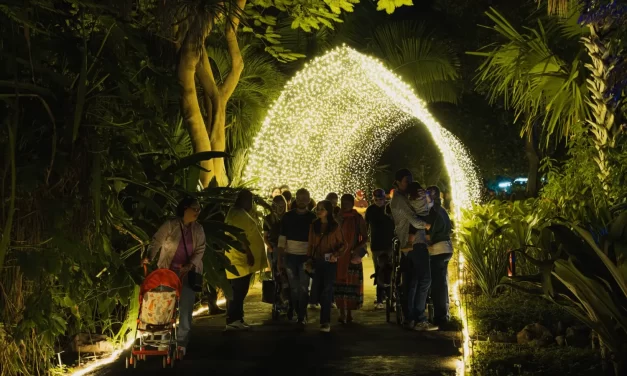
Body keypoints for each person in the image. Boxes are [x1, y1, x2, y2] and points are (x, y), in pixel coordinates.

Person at [144, 197, 205, 356]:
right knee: (165, 307)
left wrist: (190, 265)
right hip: (168, 272)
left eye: (199, 209)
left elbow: (200, 249)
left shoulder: (198, 229)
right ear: (185, 208)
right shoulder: (170, 225)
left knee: (185, 308)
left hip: (188, 273)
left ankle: (181, 343)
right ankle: (164, 341)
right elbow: (157, 241)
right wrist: (149, 256)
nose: (197, 212)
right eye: (194, 208)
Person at [390, 169, 438, 331]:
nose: (409, 184)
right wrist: (426, 225)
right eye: (406, 181)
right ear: (397, 182)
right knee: (425, 279)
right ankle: (419, 318)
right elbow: (414, 220)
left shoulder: (405, 198)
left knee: (413, 282)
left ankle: (411, 318)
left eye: (410, 181)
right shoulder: (399, 199)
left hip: (411, 245)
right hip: (415, 244)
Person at [224, 189, 267, 330]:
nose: (251, 204)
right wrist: (248, 253)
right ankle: (233, 319)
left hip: (237, 258)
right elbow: (240, 235)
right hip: (240, 258)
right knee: (239, 290)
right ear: (244, 200)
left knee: (239, 289)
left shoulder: (235, 212)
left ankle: (238, 318)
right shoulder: (239, 215)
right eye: (250, 201)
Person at [277, 188, 317, 326]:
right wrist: (280, 258)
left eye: (304, 198)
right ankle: (296, 310)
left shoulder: (313, 218)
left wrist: (312, 257)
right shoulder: (287, 217)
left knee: (304, 287)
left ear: (309, 199)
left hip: (305, 257)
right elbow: (282, 239)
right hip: (290, 257)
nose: (301, 201)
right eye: (299, 198)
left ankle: (301, 315)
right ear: (295, 199)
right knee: (294, 287)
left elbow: (315, 240)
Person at [308, 200, 346, 332]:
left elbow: (343, 244)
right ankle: (322, 317)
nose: (319, 211)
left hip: (330, 261)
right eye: (318, 209)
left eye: (322, 209)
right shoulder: (314, 225)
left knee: (327, 290)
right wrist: (309, 259)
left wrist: (336, 254)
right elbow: (311, 244)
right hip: (318, 260)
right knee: (318, 288)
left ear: (328, 211)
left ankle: (325, 321)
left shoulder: (335, 226)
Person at [335, 194, 367, 324]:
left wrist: (356, 250)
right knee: (340, 285)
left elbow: (364, 237)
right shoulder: (337, 217)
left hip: (352, 256)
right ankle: (342, 312)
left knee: (351, 285)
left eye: (347, 202)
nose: (345, 205)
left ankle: (349, 313)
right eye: (343, 202)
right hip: (338, 256)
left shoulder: (357, 218)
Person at [426, 186, 453, 328]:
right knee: (441, 283)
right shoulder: (441, 210)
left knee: (438, 286)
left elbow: (429, 234)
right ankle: (443, 314)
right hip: (445, 248)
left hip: (438, 250)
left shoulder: (433, 212)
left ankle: (441, 317)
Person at [365, 188, 395, 309]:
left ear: (385, 198)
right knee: (378, 270)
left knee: (390, 271)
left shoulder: (390, 208)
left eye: (381, 199)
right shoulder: (370, 210)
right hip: (376, 245)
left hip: (389, 244)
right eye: (376, 199)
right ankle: (379, 298)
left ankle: (390, 296)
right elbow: (365, 225)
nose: (379, 201)